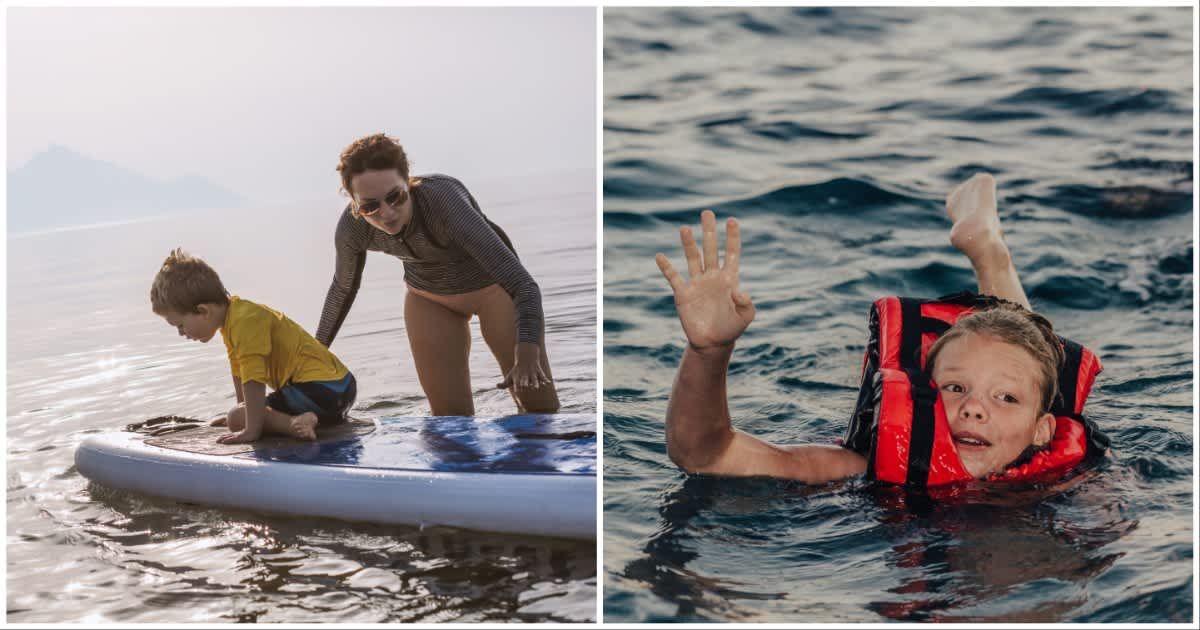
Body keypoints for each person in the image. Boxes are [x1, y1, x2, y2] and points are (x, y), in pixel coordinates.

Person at [654, 173, 1075, 483]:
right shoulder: (864, 468)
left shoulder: (1071, 480)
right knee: (1017, 357)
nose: (974, 408)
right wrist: (709, 353)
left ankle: (990, 253)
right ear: (921, 391)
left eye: (1005, 398)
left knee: (1039, 365)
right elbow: (703, 455)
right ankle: (987, 249)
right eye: (954, 388)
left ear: (1040, 430)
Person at [318, 133, 559, 416]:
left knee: (540, 410)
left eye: (395, 197)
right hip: (428, 298)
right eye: (370, 206)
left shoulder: (443, 201)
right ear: (355, 203)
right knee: (449, 420)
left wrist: (527, 350)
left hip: (494, 291)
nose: (386, 213)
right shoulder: (353, 228)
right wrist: (313, 354)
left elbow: (524, 285)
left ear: (409, 182)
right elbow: (342, 289)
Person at [150, 249, 357, 444]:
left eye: (180, 325)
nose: (181, 333)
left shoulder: (244, 323)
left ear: (203, 311)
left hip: (317, 391)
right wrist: (243, 412)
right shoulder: (237, 317)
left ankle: (294, 424)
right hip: (341, 387)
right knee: (238, 416)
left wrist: (250, 428)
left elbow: (254, 380)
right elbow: (239, 370)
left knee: (237, 418)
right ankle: (311, 417)